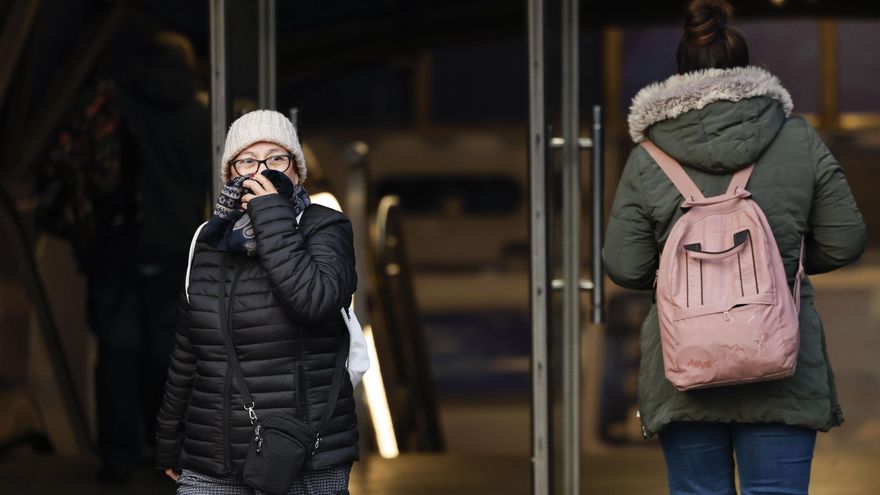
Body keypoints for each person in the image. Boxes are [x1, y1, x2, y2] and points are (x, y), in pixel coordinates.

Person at [602, 1, 866, 494]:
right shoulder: (797, 138)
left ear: (680, 72)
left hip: (685, 365)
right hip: (781, 361)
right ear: (746, 68)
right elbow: (846, 240)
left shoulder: (648, 157)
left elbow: (624, 265)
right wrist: (783, 266)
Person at [155, 110, 359, 495]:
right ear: (231, 173)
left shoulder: (325, 227)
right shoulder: (208, 238)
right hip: (211, 458)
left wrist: (271, 215)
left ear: (296, 170)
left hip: (302, 455)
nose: (261, 170)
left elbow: (314, 303)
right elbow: (188, 350)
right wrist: (170, 440)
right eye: (248, 160)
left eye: (276, 159)